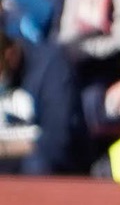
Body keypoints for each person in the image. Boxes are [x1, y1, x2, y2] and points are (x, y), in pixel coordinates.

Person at [0, 27, 84, 175]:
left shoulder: (51, 66)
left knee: (37, 164)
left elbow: (57, 140)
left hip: (46, 166)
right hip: (10, 157)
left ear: (10, 55)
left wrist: (6, 148)